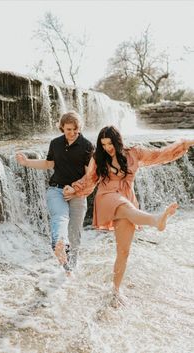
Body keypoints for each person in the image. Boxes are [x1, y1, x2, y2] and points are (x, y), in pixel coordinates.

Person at [64, 125, 194, 303]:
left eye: (109, 143)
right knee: (127, 208)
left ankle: (116, 291)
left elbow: (159, 155)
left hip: (127, 201)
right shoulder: (99, 158)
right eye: (103, 144)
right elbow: (89, 180)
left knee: (123, 251)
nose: (107, 147)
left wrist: (185, 143)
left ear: (117, 141)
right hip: (107, 197)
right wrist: (74, 188)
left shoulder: (134, 153)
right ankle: (156, 220)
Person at [15, 111, 94, 274]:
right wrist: (26, 162)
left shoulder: (87, 146)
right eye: (68, 129)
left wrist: (75, 189)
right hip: (56, 189)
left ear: (79, 128)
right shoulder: (55, 143)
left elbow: (90, 175)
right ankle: (59, 243)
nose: (72, 133)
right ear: (62, 128)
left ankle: (69, 269)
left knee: (75, 232)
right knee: (60, 217)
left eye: (75, 129)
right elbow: (48, 163)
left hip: (78, 193)